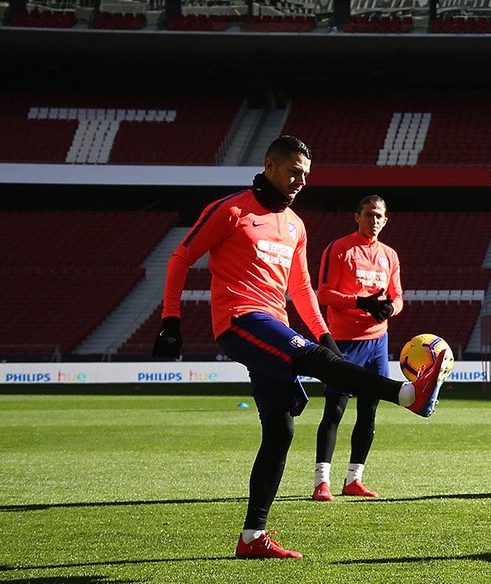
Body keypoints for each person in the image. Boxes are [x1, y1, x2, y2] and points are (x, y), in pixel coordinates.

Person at [154, 136, 446, 560]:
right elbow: (180, 258)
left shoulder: (295, 225)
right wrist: (170, 320)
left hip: (275, 321)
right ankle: (407, 394)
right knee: (315, 363)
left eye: (306, 176)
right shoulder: (231, 210)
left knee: (282, 429)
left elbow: (302, 288)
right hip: (240, 318)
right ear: (269, 165)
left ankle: (252, 538)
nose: (300, 182)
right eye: (294, 172)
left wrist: (324, 335)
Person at [311, 195, 403, 502]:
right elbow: (323, 293)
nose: (374, 220)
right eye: (368, 215)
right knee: (335, 409)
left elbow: (398, 297)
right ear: (356, 216)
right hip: (345, 342)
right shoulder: (339, 249)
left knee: (369, 411)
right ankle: (321, 481)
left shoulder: (389, 255)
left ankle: (354, 479)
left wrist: (389, 310)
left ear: (385, 220)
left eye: (379, 216)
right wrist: (359, 302)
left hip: (378, 342)